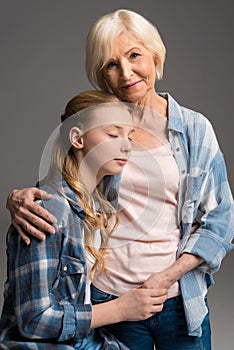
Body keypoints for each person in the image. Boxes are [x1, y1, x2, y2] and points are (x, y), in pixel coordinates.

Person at [6, 9, 234, 350]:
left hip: (177, 300)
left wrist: (164, 279)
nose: (126, 73)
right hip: (109, 300)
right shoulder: (98, 123)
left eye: (134, 55)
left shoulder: (194, 130)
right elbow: (67, 186)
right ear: (101, 75)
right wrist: (21, 197)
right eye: (111, 64)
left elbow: (221, 221)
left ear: (155, 56)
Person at [0, 90, 168, 349]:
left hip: (84, 340)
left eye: (130, 136)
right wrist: (121, 310)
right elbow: (34, 321)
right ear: (77, 138)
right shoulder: (48, 211)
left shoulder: (97, 204)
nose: (126, 144)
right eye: (113, 134)